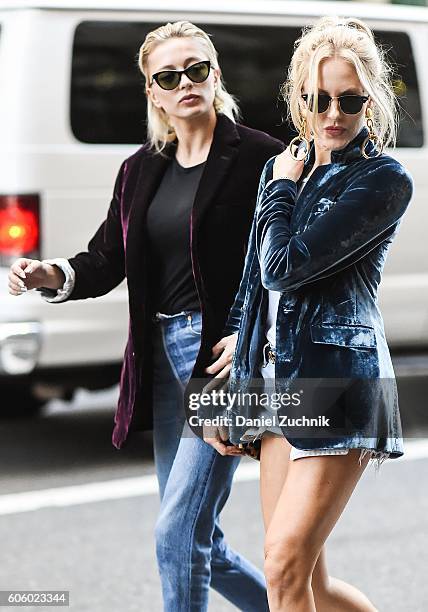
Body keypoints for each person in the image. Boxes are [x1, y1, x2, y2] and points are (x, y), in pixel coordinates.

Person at [7, 20, 285, 611]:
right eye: (168, 75)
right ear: (152, 91)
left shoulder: (262, 158)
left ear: (215, 74)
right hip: (158, 359)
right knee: (194, 534)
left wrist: (258, 337)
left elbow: (287, 265)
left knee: (176, 532)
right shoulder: (139, 169)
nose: (185, 82)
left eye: (197, 69)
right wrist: (51, 274)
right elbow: (108, 258)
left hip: (222, 361)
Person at [204, 16, 414, 611]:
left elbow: (284, 268)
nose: (334, 113)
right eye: (319, 99)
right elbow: (252, 292)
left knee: (283, 564)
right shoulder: (291, 170)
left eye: (349, 99)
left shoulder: (382, 180)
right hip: (277, 385)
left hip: (340, 382)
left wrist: (280, 188)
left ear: (369, 100)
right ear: (300, 99)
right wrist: (233, 394)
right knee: (302, 582)